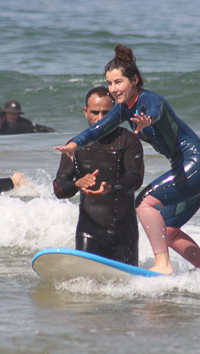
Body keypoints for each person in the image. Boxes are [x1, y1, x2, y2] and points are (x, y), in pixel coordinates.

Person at [55, 45, 200, 274]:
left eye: (118, 82)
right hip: (195, 167)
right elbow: (97, 130)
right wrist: (74, 145)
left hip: (198, 161)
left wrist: (147, 121)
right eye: (110, 83)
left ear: (134, 80)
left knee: (144, 202)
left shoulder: (150, 100)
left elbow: (155, 111)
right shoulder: (123, 110)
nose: (113, 89)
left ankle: (163, 265)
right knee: (169, 228)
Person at [53, 87, 144, 266]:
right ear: (86, 112)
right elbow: (59, 188)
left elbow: (135, 179)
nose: (100, 118)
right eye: (95, 112)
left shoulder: (128, 140)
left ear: (116, 113)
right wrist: (77, 183)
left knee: (126, 290)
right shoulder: (74, 146)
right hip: (88, 232)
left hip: (124, 232)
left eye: (106, 113)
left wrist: (110, 188)